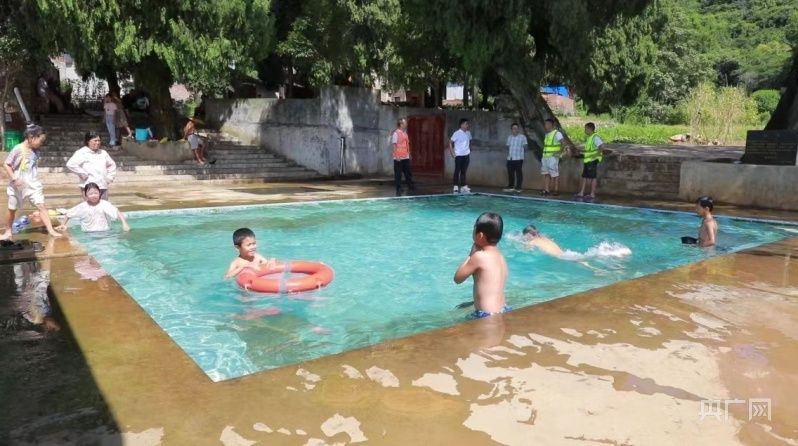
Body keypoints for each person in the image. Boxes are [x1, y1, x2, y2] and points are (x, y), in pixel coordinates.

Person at [2, 125, 62, 239]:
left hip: (33, 184)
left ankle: (50, 230)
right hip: (18, 184)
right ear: (31, 137)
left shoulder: (36, 151)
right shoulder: (18, 149)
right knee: (12, 209)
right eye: (41, 140)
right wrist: (15, 179)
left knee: (42, 206)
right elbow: (6, 164)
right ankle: (8, 231)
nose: (41, 143)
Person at [454, 212, 509, 319]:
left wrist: (472, 253)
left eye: (474, 228)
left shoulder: (479, 257)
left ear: (480, 235)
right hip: (504, 309)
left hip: (486, 315)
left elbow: (458, 278)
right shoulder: (500, 256)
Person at [57, 183, 130, 233]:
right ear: (85, 195)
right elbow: (69, 214)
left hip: (105, 234)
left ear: (100, 193)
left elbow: (117, 212)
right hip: (88, 234)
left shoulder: (104, 204)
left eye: (96, 193)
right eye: (90, 193)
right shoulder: (82, 206)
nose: (94, 195)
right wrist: (63, 224)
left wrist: (124, 224)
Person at [66, 132, 118, 200]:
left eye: (99, 140)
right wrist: (83, 174)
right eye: (95, 140)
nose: (97, 143)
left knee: (104, 207)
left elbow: (112, 165)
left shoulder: (103, 153)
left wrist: (109, 177)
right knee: (91, 208)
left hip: (103, 185)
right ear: (88, 141)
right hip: (89, 186)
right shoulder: (82, 152)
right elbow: (70, 164)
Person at [576, 122, 608, 199]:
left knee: (592, 177)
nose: (584, 130)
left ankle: (592, 193)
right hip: (587, 160)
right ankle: (582, 192)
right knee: (585, 176)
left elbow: (602, 146)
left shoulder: (595, 137)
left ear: (589, 129)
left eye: (585, 129)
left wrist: (596, 154)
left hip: (592, 160)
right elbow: (589, 149)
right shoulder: (589, 138)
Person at [541, 118, 568, 196]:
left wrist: (559, 152)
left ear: (550, 124)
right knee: (546, 173)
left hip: (552, 157)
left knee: (554, 174)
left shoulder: (557, 133)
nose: (545, 126)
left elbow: (564, 143)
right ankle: (547, 190)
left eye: (546, 124)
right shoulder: (547, 134)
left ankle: (556, 190)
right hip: (545, 156)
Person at [392, 118, 416, 195]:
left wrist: (409, 154)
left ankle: (411, 186)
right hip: (399, 158)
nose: (406, 124)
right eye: (405, 123)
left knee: (408, 173)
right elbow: (395, 145)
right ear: (401, 124)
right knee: (398, 174)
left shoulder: (405, 133)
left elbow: (406, 145)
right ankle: (399, 188)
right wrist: (397, 156)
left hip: (406, 156)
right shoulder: (396, 133)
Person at [449, 118, 472, 194]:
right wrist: (452, 152)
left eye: (467, 124)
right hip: (459, 155)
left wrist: (469, 150)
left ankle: (463, 185)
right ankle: (455, 185)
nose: (467, 125)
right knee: (457, 170)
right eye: (465, 124)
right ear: (461, 125)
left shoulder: (468, 133)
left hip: (466, 155)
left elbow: (470, 141)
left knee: (463, 171)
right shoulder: (457, 133)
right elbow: (450, 142)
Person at [503, 123, 528, 193]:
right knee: (510, 173)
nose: (515, 130)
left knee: (518, 173)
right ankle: (511, 185)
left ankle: (518, 186)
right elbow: (508, 146)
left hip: (519, 158)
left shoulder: (522, 137)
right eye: (514, 128)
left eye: (517, 128)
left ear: (518, 129)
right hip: (510, 158)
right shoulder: (509, 137)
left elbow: (526, 147)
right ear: (511, 130)